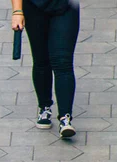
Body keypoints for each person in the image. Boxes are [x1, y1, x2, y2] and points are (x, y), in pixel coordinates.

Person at [11, 0, 80, 138]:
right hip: (33, 7)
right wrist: (17, 11)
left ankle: (65, 118)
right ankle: (44, 107)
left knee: (63, 62)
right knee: (41, 60)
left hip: (66, 7)